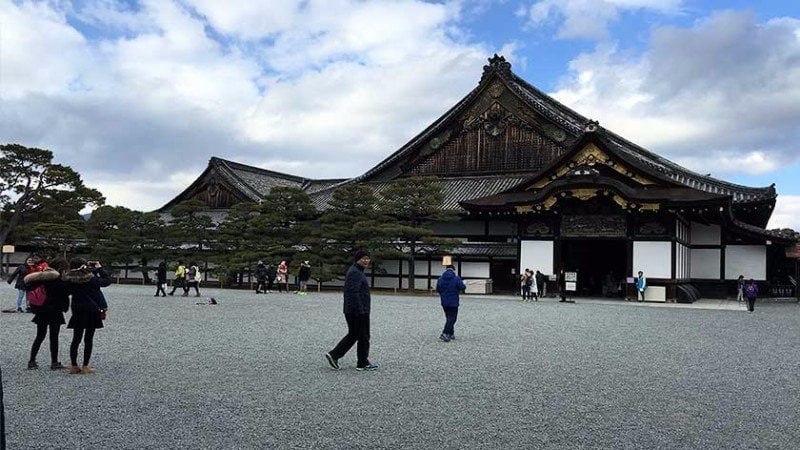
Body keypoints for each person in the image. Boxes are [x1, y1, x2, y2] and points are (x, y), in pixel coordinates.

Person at [325, 250, 378, 371]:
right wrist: (359, 310)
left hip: (356, 309)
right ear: (357, 259)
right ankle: (358, 361)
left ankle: (341, 356)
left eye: (367, 258)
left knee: (357, 334)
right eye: (363, 258)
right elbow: (352, 293)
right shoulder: (355, 272)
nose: (366, 261)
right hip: (357, 310)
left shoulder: (357, 271)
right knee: (361, 335)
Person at [63, 258, 111, 374]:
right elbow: (106, 281)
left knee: (76, 339)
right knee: (88, 339)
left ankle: (74, 365)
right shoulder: (90, 278)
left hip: (77, 309)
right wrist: (99, 268)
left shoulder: (69, 279)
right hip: (91, 309)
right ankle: (85, 366)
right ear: (83, 266)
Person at [24, 258, 70, 370]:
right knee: (54, 337)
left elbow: (30, 284)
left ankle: (32, 360)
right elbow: (67, 292)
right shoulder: (61, 280)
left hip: (43, 309)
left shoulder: (44, 277)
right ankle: (54, 362)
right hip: (56, 310)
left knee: (40, 336)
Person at [436, 265, 466, 342]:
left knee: (448, 317)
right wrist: (463, 283)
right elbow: (462, 287)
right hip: (453, 301)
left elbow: (438, 289)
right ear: (453, 270)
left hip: (444, 301)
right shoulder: (456, 278)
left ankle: (451, 333)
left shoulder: (440, 279)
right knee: (452, 318)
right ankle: (445, 333)